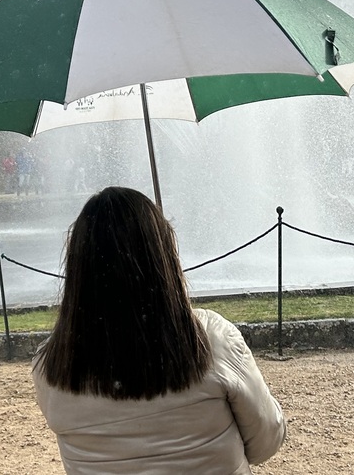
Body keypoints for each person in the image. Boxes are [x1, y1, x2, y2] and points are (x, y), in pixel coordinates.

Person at [33, 186, 286, 474]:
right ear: (162, 254)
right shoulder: (213, 340)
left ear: (78, 265)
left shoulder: (50, 366)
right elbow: (266, 443)